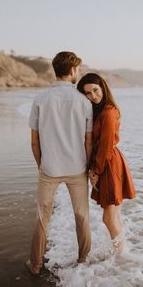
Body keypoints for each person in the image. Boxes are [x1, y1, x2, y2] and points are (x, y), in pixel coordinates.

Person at [26, 51, 93, 275]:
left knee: (42, 217)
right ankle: (83, 261)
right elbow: (88, 142)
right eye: (78, 69)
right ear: (73, 70)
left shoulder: (40, 99)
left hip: (49, 168)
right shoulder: (84, 101)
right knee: (82, 216)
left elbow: (34, 142)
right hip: (77, 169)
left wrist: (41, 165)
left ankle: (35, 265)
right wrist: (89, 168)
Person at [77, 73, 136, 253]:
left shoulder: (109, 112)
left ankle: (121, 257)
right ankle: (123, 254)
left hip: (109, 164)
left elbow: (105, 147)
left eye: (95, 90)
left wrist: (95, 171)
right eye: (87, 93)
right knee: (114, 217)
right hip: (109, 162)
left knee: (109, 218)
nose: (93, 96)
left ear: (102, 87)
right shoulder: (101, 110)